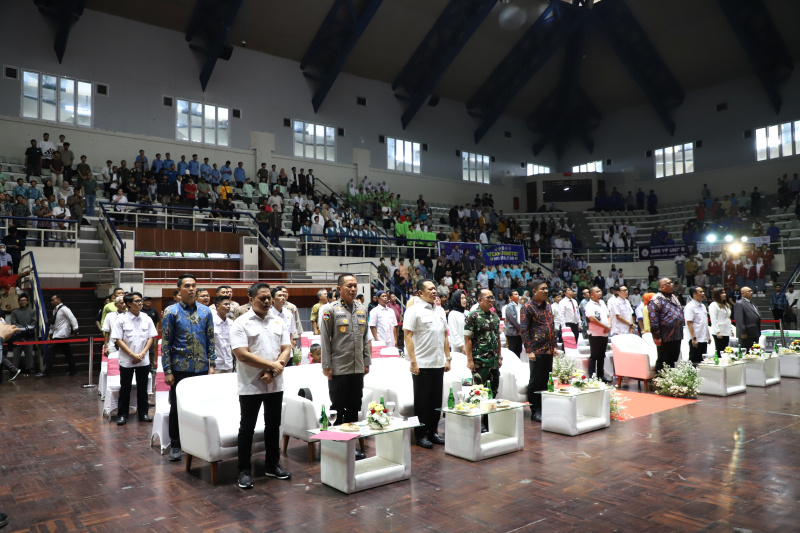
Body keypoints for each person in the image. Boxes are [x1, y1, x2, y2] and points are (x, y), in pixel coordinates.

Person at [230, 282, 292, 488]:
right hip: (251, 384)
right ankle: (244, 471)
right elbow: (242, 354)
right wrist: (272, 366)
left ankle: (272, 465)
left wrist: (275, 370)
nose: (267, 301)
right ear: (251, 299)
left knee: (273, 426)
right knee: (247, 428)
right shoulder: (241, 323)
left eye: (269, 298)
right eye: (262, 298)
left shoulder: (278, 321)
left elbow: (286, 348)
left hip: (275, 382)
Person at [161, 274, 216, 462]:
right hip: (180, 368)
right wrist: (167, 370)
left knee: (200, 406)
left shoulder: (205, 312)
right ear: (179, 290)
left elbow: (210, 339)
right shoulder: (171, 312)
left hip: (201, 367)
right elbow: (165, 344)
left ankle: (197, 441)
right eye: (187, 286)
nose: (191, 289)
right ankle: (175, 445)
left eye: (194, 285)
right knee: (177, 407)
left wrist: (212, 364)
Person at [319, 274, 370, 460]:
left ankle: (350, 446)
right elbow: (324, 339)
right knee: (338, 409)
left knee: (354, 408)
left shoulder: (362, 309)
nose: (353, 289)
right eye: (349, 286)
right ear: (339, 289)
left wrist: (366, 361)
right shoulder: (329, 310)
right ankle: (337, 447)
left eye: (355, 286)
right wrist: (327, 365)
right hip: (339, 368)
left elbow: (365, 339)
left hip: (357, 368)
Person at [404, 280, 449, 448]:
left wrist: (448, 358)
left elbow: (445, 335)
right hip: (422, 364)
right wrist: (413, 362)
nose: (434, 291)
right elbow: (407, 337)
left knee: (436, 402)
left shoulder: (440, 311)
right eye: (430, 289)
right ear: (420, 293)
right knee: (422, 403)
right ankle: (421, 434)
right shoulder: (413, 311)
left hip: (438, 362)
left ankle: (433, 431)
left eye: (435, 288)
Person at [111, 292, 158, 425]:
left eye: (140, 300)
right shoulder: (121, 319)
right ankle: (122, 415)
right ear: (129, 304)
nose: (140, 303)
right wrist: (132, 355)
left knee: (143, 388)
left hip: (143, 359)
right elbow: (118, 340)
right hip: (127, 360)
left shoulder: (146, 318)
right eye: (137, 301)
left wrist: (142, 354)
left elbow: (151, 337)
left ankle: (143, 413)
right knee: (125, 388)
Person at [464, 289, 501, 432]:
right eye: (488, 298)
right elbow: (467, 339)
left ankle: (489, 419)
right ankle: (479, 422)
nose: (492, 300)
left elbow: (497, 338)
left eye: (493, 298)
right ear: (480, 300)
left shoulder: (495, 317)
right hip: (480, 361)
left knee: (493, 391)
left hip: (493, 361)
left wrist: (499, 356)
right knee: (479, 392)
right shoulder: (473, 316)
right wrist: (470, 360)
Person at [521, 281, 557, 423]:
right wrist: (529, 350)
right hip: (536, 350)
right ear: (534, 291)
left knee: (546, 380)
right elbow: (524, 330)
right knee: (535, 381)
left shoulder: (548, 306)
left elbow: (552, 326)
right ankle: (535, 411)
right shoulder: (527, 307)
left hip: (548, 349)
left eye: (547, 288)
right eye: (543, 289)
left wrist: (554, 345)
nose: (546, 291)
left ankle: (544, 407)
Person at [38, 293, 79, 377]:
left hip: (62, 334)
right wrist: (49, 334)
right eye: (51, 300)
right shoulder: (55, 310)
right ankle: (73, 370)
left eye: (53, 300)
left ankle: (47, 372)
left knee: (51, 352)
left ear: (59, 300)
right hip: (58, 334)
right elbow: (54, 324)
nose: (52, 302)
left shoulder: (64, 309)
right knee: (67, 353)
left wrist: (75, 329)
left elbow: (72, 318)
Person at [648, 278, 684, 371]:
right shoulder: (656, 299)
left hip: (677, 335)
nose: (672, 284)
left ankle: (670, 382)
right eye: (669, 283)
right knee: (663, 360)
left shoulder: (674, 297)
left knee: (673, 359)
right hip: (665, 336)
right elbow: (653, 319)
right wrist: (656, 336)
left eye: (672, 282)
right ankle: (660, 382)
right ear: (662, 287)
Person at [584, 287, 610, 381]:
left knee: (602, 355)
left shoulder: (602, 303)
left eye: (600, 290)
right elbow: (592, 319)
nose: (600, 293)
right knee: (594, 356)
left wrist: (609, 325)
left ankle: (601, 375)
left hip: (604, 333)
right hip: (594, 333)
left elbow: (608, 315)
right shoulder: (589, 305)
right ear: (591, 295)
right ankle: (592, 377)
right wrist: (605, 326)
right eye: (597, 291)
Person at [9, 294, 37, 374]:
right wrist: (23, 328)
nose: (22, 302)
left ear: (27, 301)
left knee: (28, 353)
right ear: (18, 302)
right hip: (17, 336)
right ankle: (14, 370)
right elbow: (13, 323)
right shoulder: (15, 312)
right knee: (16, 354)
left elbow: (34, 322)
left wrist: (26, 328)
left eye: (24, 300)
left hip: (29, 336)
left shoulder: (32, 311)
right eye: (20, 301)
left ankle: (28, 369)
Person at [684, 287, 709, 366]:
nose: (703, 294)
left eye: (703, 292)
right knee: (694, 361)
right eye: (701, 292)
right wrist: (694, 338)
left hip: (703, 338)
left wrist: (708, 335)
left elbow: (705, 323)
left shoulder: (703, 306)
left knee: (703, 361)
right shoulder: (690, 306)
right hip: (696, 338)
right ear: (694, 294)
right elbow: (689, 323)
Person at [734, 286, 761, 351]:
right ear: (743, 293)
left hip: (754, 332)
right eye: (749, 291)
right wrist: (743, 332)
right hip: (747, 333)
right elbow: (739, 319)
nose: (751, 292)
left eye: (751, 291)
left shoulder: (751, 303)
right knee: (746, 352)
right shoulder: (739, 303)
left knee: (754, 352)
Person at [212, 295, 234, 373]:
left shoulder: (231, 323)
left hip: (229, 363)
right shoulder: (211, 322)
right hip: (216, 364)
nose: (228, 306)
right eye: (225, 304)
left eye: (229, 304)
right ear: (217, 306)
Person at [503, 290, 522, 358]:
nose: (518, 296)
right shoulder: (509, 306)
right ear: (511, 297)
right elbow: (513, 319)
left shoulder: (520, 305)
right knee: (513, 351)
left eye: (518, 294)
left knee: (519, 350)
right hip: (512, 332)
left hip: (519, 332)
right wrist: (520, 329)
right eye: (515, 294)